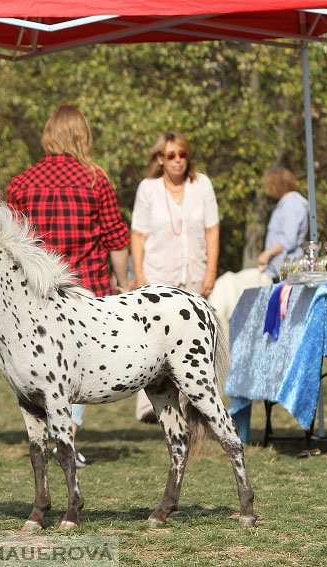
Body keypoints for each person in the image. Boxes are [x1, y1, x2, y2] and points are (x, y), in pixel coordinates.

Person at [7, 105, 130, 467]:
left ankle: (53, 438)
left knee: (44, 364)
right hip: (85, 289)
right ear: (82, 135)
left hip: (37, 292)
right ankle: (67, 438)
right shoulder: (96, 180)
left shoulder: (21, 182)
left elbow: (12, 243)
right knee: (78, 368)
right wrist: (122, 283)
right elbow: (115, 238)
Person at [130, 131, 219, 422]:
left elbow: (212, 229)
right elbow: (139, 234)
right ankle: (149, 406)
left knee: (190, 341)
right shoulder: (148, 188)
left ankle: (190, 403)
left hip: (193, 271)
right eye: (171, 155)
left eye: (182, 154)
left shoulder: (201, 185)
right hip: (158, 274)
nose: (178, 160)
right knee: (153, 342)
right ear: (160, 159)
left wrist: (211, 270)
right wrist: (139, 273)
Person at [256, 167, 309, 281]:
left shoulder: (291, 204)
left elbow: (289, 239)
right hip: (278, 269)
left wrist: (268, 253)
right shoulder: (285, 204)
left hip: (289, 270)